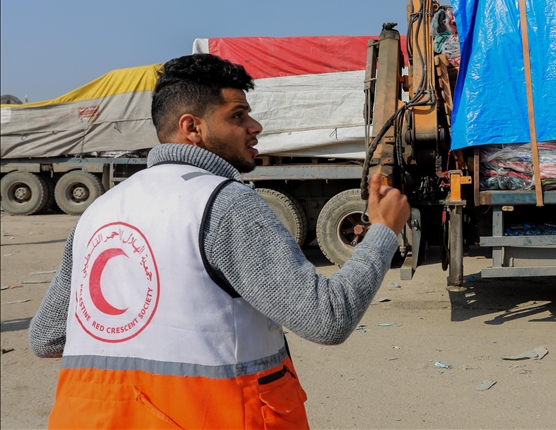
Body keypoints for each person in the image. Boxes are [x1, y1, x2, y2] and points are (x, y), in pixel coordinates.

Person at [29, 53, 411, 429]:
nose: (255, 126)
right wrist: (382, 232)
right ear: (192, 127)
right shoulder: (225, 203)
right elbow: (327, 319)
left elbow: (46, 337)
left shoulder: (100, 210)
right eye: (238, 116)